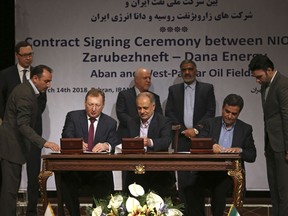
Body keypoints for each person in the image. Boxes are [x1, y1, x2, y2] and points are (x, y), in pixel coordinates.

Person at [0, 65, 60, 216]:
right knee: (10, 192)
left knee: (11, 190)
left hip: (17, 146)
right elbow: (23, 125)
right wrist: (44, 142)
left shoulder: (30, 91)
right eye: (46, 81)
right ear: (35, 78)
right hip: (11, 146)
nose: (49, 85)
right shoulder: (24, 94)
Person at [183, 94, 256, 216]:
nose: (229, 116)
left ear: (239, 113)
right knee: (190, 189)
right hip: (206, 172)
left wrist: (240, 150)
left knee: (219, 192)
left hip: (228, 175)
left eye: (234, 114)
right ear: (222, 108)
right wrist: (210, 147)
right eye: (227, 111)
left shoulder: (245, 129)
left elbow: (252, 155)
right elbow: (199, 142)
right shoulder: (210, 123)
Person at [0, 41, 47, 216]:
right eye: (25, 54)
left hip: (31, 132)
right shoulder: (6, 75)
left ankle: (32, 210)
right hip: (14, 134)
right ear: (17, 55)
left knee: (34, 175)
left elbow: (41, 103)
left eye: (31, 54)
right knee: (11, 183)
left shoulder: (39, 74)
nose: (29, 57)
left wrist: (29, 123)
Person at [165, 59, 216, 203]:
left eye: (190, 69)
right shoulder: (173, 90)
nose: (187, 72)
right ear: (181, 72)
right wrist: (184, 130)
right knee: (182, 176)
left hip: (200, 139)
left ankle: (197, 210)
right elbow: (169, 113)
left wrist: (196, 129)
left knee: (198, 175)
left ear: (196, 71)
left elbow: (210, 112)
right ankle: (183, 209)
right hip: (181, 138)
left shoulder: (207, 88)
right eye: (184, 70)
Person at [61, 88, 118, 216]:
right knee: (66, 180)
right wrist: (76, 143)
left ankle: (97, 214)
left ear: (102, 105)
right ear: (84, 103)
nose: (93, 109)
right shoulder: (73, 117)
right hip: (76, 169)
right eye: (90, 104)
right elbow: (66, 135)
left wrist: (106, 145)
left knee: (105, 181)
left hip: (98, 171)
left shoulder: (110, 123)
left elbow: (114, 142)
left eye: (97, 105)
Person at [249, 54, 288, 216]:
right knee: (274, 187)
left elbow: (286, 116)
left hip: (282, 145)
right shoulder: (265, 86)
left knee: (283, 189)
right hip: (270, 143)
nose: (257, 80)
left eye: (259, 76)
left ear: (269, 70)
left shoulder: (283, 84)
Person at [123, 92, 176, 199]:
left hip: (158, 168)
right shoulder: (131, 122)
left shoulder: (164, 121)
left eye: (145, 108)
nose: (142, 111)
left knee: (160, 182)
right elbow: (123, 141)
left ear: (153, 106)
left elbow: (166, 140)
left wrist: (149, 142)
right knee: (131, 180)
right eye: (139, 108)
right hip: (136, 167)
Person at [116, 67, 163, 140]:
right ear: (136, 80)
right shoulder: (124, 95)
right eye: (145, 78)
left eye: (149, 78)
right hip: (128, 136)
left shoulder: (155, 97)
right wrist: (137, 124)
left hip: (150, 138)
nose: (148, 81)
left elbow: (159, 116)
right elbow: (121, 114)